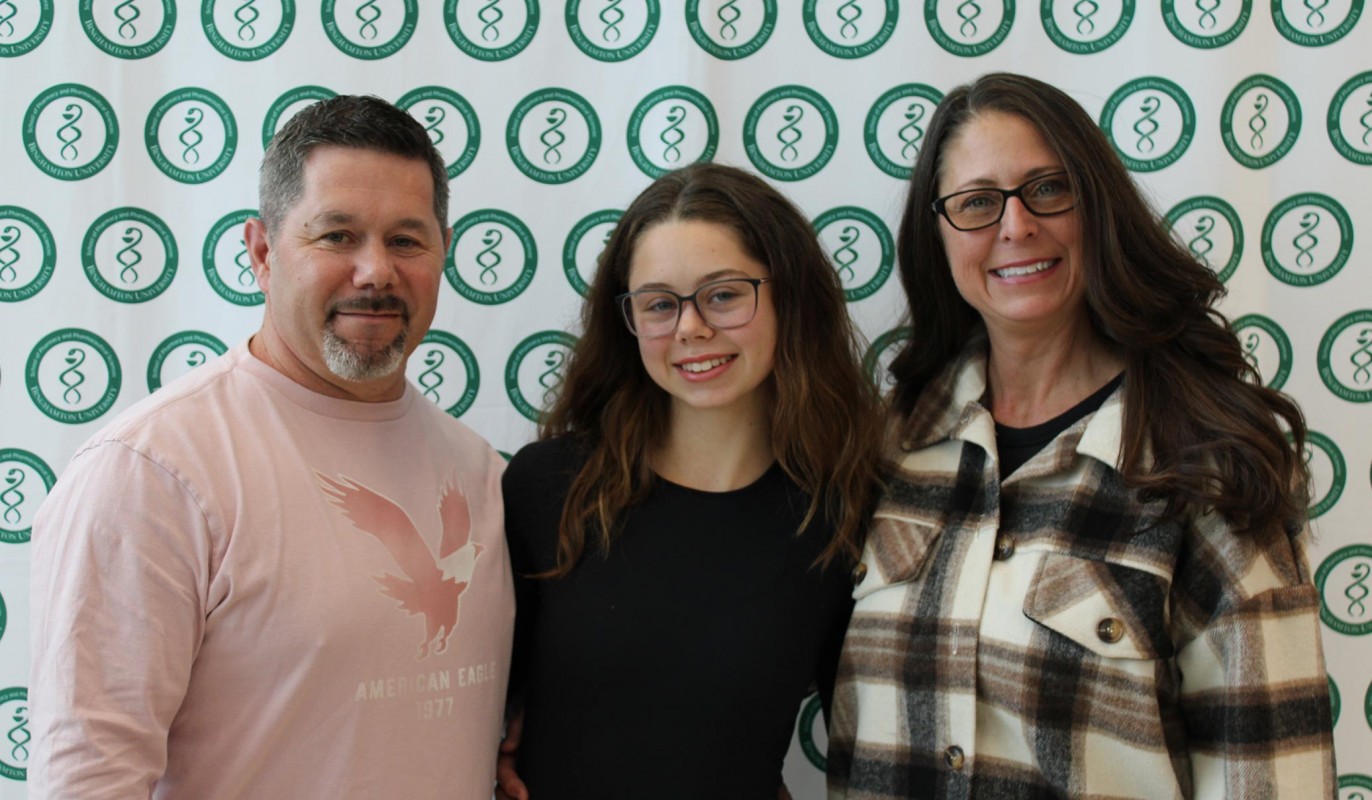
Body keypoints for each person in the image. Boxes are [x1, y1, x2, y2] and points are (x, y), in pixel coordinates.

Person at [827, 72, 1336, 799]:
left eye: (1048, 189)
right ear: (935, 234)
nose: (1015, 226)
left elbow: (1274, 779)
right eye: (977, 202)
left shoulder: (1206, 463)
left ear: (1096, 205)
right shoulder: (888, 449)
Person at [29, 95, 514, 799]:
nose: (376, 271)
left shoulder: (481, 472)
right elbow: (88, 782)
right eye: (337, 236)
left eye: (406, 240)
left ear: (444, 252)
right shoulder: (151, 473)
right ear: (261, 251)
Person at [496, 162, 884, 799]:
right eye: (658, 304)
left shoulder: (845, 513)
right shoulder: (548, 487)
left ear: (789, 294)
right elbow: (468, 696)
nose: (690, 327)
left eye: (724, 294)